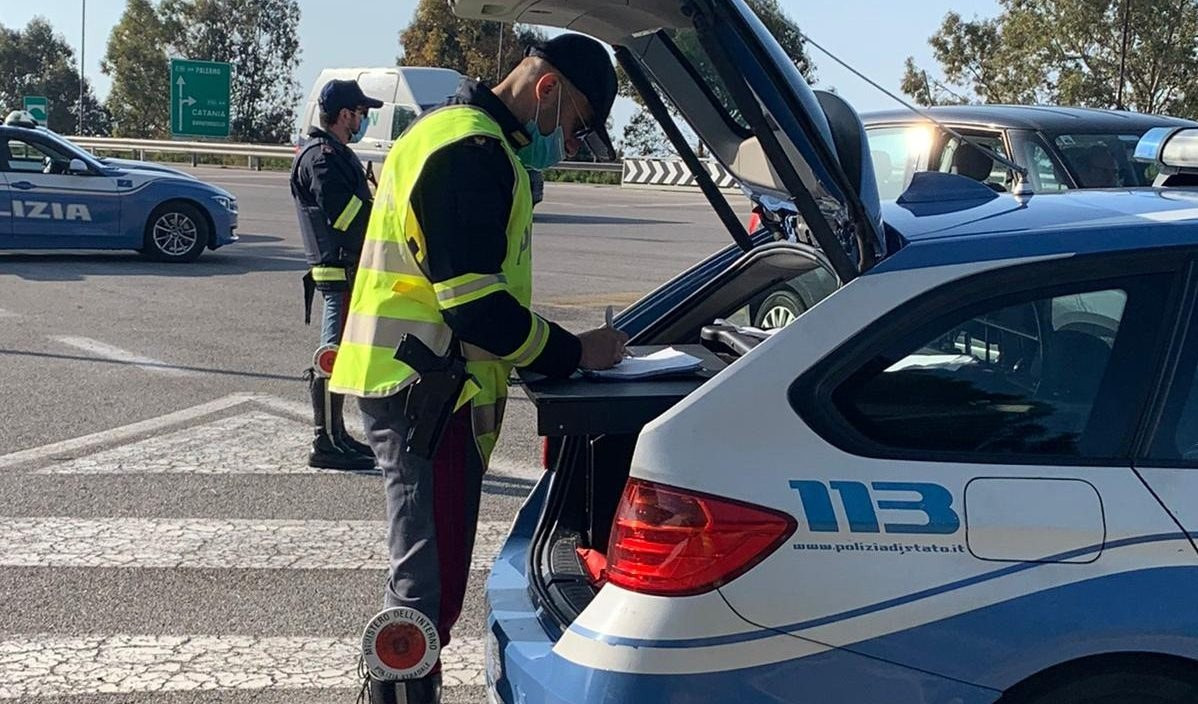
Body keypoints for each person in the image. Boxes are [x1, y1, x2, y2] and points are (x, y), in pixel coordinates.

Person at [328, 33, 627, 703]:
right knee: (424, 597)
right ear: (546, 89)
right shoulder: (472, 150)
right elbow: (477, 308)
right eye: (577, 123)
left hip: (421, 388)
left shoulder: (453, 131)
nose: (571, 143)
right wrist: (576, 351)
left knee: (421, 583)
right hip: (426, 395)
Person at [290, 79, 382, 471]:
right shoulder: (323, 157)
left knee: (340, 355)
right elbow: (343, 217)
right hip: (338, 269)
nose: (364, 120)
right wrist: (384, 217)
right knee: (332, 356)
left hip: (347, 268)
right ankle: (324, 440)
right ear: (345, 115)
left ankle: (337, 434)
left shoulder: (334, 153)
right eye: (362, 113)